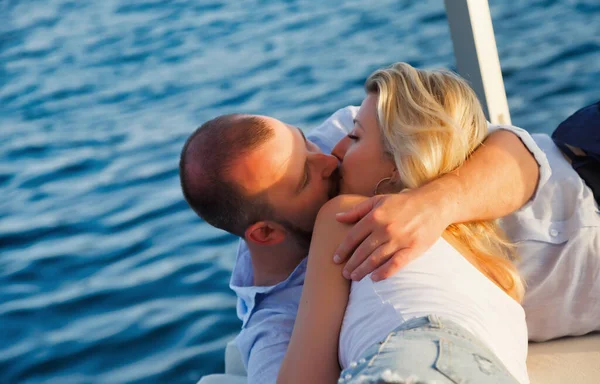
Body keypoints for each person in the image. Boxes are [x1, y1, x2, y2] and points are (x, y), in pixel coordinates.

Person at [179, 71, 600, 383]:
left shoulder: (346, 137)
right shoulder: (275, 328)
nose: (328, 158)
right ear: (265, 234)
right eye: (305, 177)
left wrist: (434, 203)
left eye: (305, 141)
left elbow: (516, 150)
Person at [275, 62, 529, 383]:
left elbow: (304, 377)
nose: (335, 151)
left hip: (418, 360)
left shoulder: (350, 216)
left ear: (397, 164)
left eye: (354, 136)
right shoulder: (491, 266)